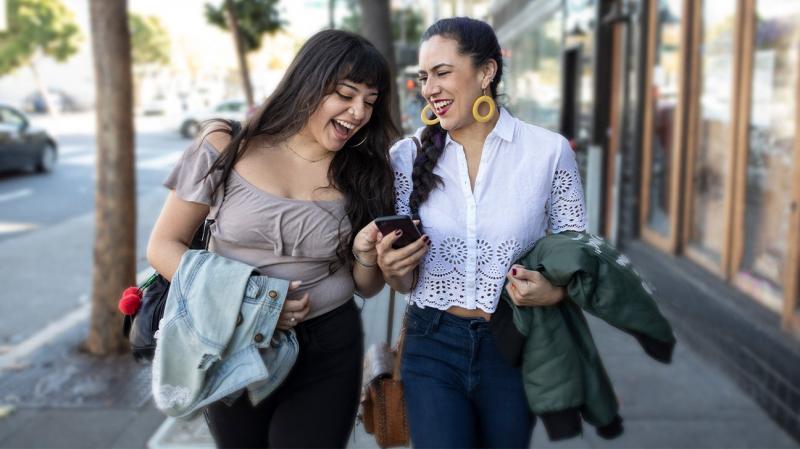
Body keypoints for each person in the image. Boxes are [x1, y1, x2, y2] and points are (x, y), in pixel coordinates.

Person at [146, 29, 398, 448]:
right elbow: (162, 246)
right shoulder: (226, 145)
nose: (357, 112)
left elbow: (366, 287)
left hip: (329, 347)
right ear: (309, 83)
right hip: (231, 340)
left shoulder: (365, 172)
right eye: (346, 94)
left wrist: (366, 256)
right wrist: (256, 303)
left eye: (369, 102)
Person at [374, 17, 588, 448]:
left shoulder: (548, 153)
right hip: (430, 343)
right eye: (423, 77)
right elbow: (402, 280)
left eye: (442, 72)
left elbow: (580, 255)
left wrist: (554, 291)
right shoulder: (405, 157)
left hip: (514, 343)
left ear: (487, 72)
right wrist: (390, 267)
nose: (429, 87)